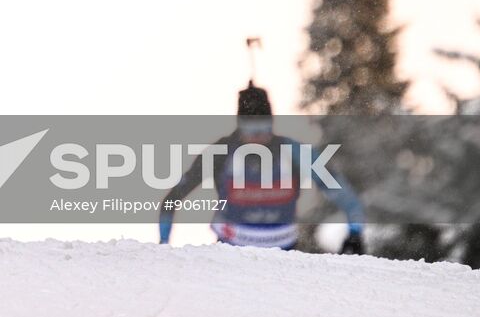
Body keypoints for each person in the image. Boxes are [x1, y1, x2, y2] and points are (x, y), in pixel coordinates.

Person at [157, 82, 366, 253]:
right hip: (230, 251)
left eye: (263, 127)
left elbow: (344, 195)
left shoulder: (293, 151)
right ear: (239, 126)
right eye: (251, 128)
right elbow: (172, 199)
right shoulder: (220, 152)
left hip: (283, 251)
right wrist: (164, 244)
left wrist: (355, 233)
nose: (257, 136)